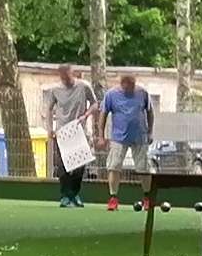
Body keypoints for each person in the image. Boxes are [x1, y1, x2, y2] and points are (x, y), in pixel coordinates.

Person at [98, 73, 159, 212]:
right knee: (114, 166)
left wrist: (150, 132)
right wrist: (101, 136)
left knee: (143, 167)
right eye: (127, 86)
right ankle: (113, 197)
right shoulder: (111, 95)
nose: (130, 89)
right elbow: (103, 114)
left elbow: (150, 112)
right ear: (122, 84)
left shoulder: (143, 93)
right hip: (118, 137)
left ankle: (147, 198)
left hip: (140, 136)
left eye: (132, 86)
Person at [41, 64, 96, 207]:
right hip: (62, 131)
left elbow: (95, 104)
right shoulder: (55, 90)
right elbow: (49, 109)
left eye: (68, 77)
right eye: (63, 78)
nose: (66, 80)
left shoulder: (84, 86)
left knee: (79, 165)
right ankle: (65, 196)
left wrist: (86, 115)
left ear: (73, 74)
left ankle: (74, 194)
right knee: (63, 165)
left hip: (79, 130)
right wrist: (50, 129)